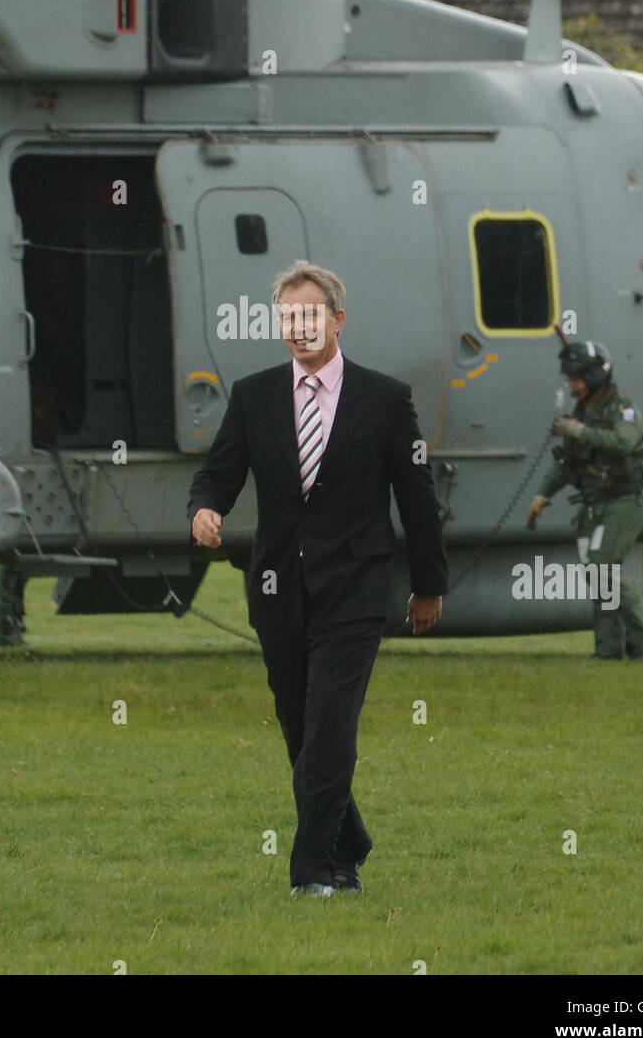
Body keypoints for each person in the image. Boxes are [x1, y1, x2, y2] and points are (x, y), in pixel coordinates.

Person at [188, 261, 448, 897]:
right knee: (301, 732)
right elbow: (221, 471)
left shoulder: (385, 399)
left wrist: (428, 584)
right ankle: (350, 842)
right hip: (278, 588)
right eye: (287, 318)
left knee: (331, 728)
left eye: (309, 314)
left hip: (356, 587)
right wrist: (205, 508)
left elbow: (417, 497)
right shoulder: (253, 396)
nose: (299, 328)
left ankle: (313, 872)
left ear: (336, 318)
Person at [527, 340, 643, 660]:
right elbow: (568, 464)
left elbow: (622, 443)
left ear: (595, 376)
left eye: (576, 378)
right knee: (597, 578)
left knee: (602, 568)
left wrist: (578, 431)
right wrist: (543, 494)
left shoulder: (623, 409)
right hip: (594, 502)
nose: (571, 385)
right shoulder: (583, 412)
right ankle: (608, 649)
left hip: (626, 499)